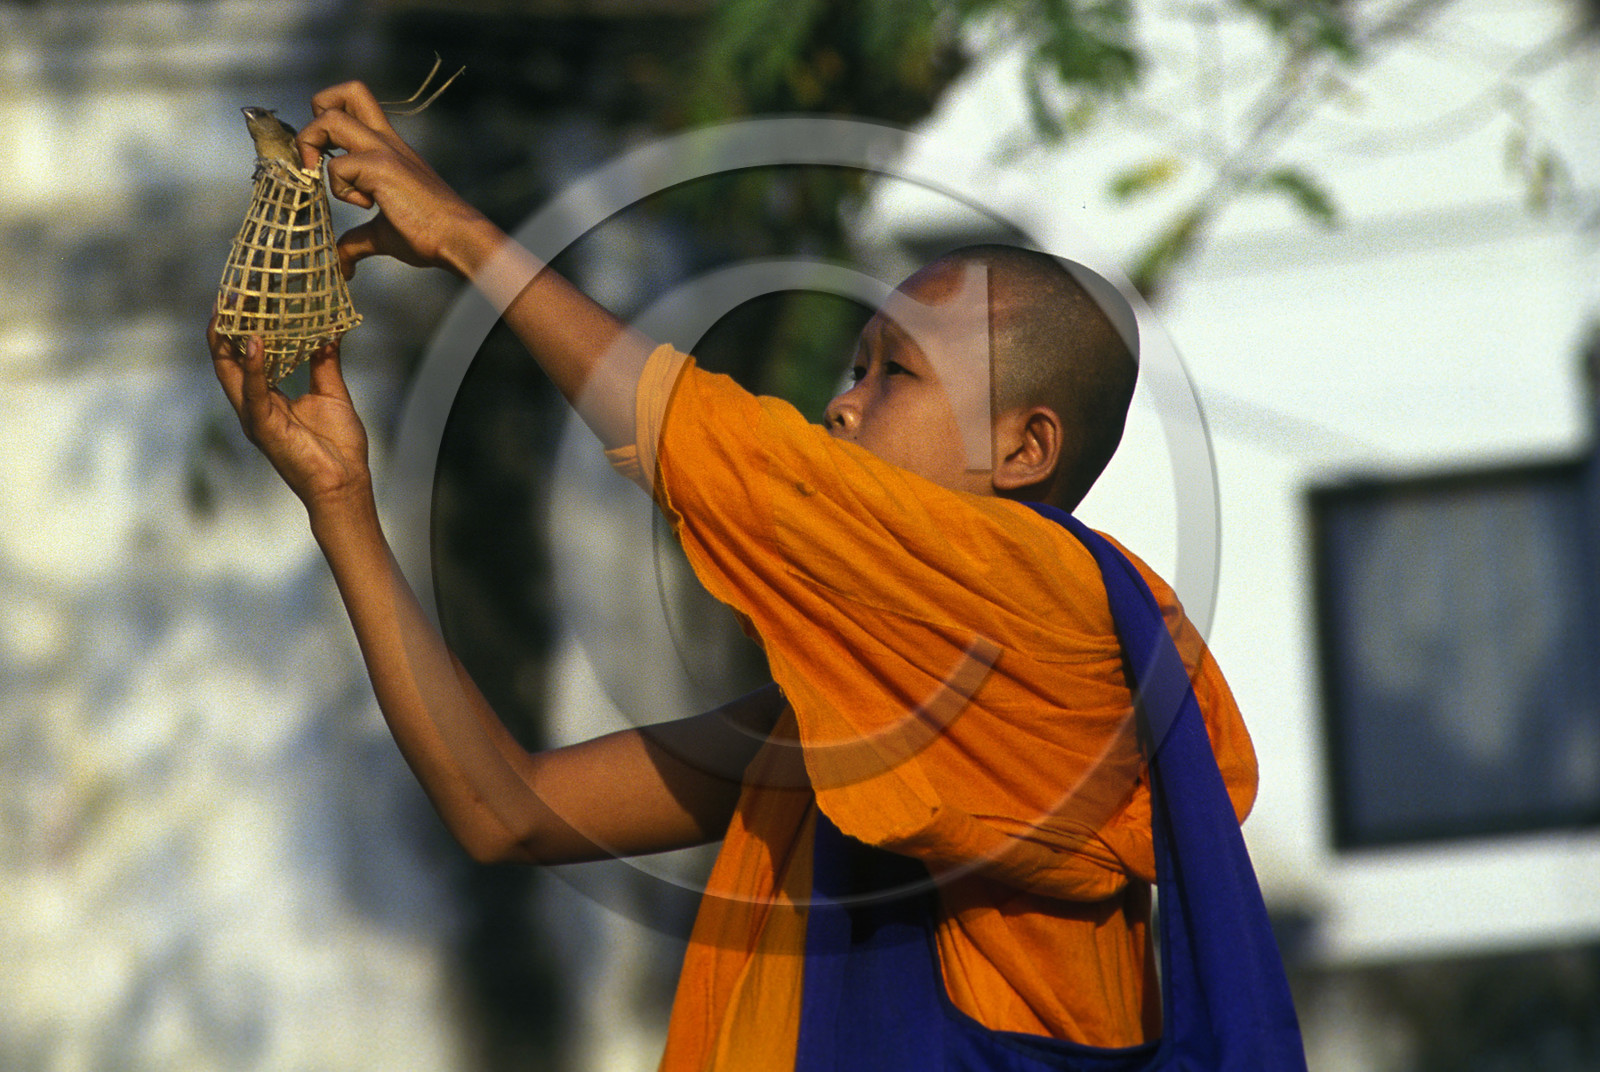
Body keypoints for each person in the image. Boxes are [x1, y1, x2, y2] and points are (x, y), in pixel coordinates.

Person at [207, 81, 1259, 1070]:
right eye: (854, 368)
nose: (842, 406)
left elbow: (720, 457)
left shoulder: (1057, 612)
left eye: (895, 373)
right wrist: (343, 504)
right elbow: (510, 809)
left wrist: (472, 240)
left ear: (1024, 452)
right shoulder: (853, 723)